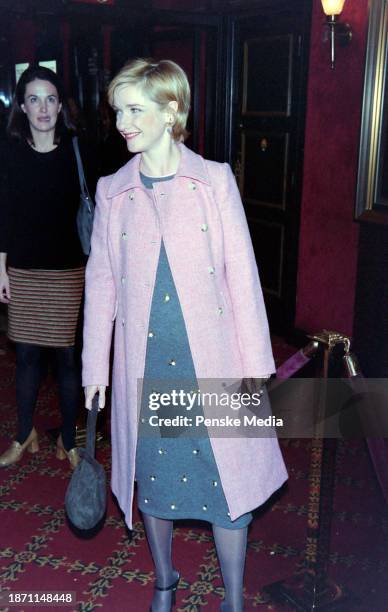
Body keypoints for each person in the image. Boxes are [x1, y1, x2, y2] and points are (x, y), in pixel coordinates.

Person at [83, 58, 288, 612]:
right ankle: (166, 579)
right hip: (144, 364)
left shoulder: (213, 180)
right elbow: (100, 283)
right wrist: (93, 371)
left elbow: (242, 278)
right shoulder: (112, 191)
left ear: (171, 110)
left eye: (134, 109)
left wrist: (255, 370)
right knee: (155, 481)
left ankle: (234, 597)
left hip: (212, 361)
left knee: (229, 485)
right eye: (117, 110)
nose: (121, 121)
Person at [0, 66, 88, 469]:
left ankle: (68, 440)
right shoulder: (10, 153)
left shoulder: (78, 150)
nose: (43, 108)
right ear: (21, 105)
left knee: (68, 358)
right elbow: (3, 216)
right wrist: (1, 270)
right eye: (33, 99)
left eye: (50, 98)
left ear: (60, 105)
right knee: (28, 357)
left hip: (69, 270)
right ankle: (24, 434)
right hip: (23, 268)